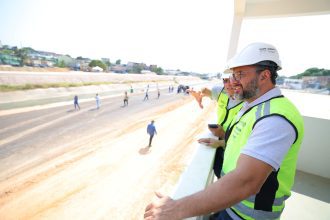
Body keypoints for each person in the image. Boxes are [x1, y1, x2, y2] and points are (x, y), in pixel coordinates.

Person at [144, 42, 304, 220]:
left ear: (264, 76)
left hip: (247, 215)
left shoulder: (275, 118)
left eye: (240, 74)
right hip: (232, 204)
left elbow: (246, 181)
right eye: (233, 75)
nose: (233, 81)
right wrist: (223, 135)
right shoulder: (253, 106)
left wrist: (175, 209)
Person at [190, 73, 243, 178]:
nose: (228, 84)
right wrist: (199, 94)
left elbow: (243, 142)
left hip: (233, 152)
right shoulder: (221, 91)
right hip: (221, 143)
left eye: (231, 80)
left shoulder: (248, 102)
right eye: (224, 80)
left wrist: (222, 138)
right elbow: (205, 90)